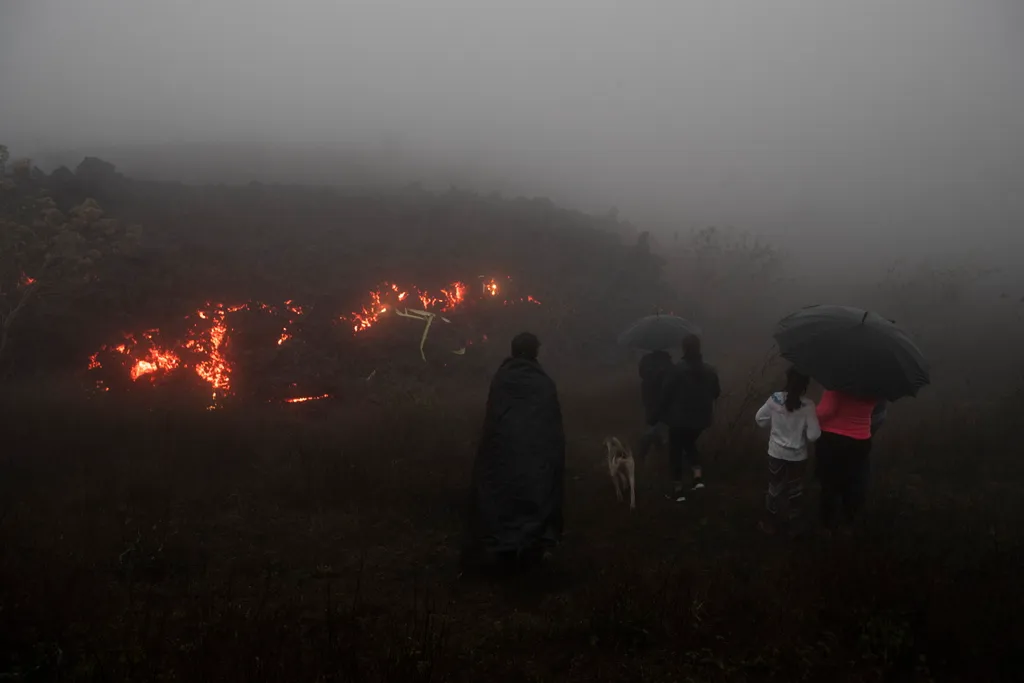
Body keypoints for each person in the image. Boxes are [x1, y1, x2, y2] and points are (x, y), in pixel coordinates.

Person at [463, 332, 566, 574]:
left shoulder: (501, 379)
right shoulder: (544, 382)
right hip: (536, 454)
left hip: (502, 452)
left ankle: (504, 549)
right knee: (537, 495)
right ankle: (532, 548)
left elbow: (493, 419)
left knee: (502, 494)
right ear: (535, 352)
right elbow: (552, 425)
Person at [754, 367, 821, 536]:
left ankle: (769, 523)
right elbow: (814, 436)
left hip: (776, 453)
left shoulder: (775, 399)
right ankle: (794, 526)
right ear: (805, 385)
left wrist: (775, 427)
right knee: (795, 490)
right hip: (798, 457)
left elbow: (760, 420)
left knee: (774, 488)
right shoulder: (809, 405)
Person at [655, 334, 720, 502]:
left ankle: (678, 491)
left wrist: (659, 414)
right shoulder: (710, 370)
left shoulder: (675, 370)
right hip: (702, 420)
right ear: (699, 348)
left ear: (683, 349)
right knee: (688, 442)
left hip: (679, 420)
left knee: (675, 451)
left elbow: (665, 396)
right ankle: (697, 477)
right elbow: (716, 393)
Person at [814, 387, 878, 533]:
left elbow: (826, 411)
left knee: (829, 483)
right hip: (861, 441)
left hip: (833, 441)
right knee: (853, 481)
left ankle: (827, 525)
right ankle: (848, 520)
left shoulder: (837, 385)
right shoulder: (875, 387)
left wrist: (809, 414)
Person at [636, 349, 674, 461]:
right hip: (659, 398)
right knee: (657, 426)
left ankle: (658, 452)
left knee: (654, 424)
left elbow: (641, 373)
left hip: (649, 397)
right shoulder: (667, 361)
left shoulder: (646, 360)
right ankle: (647, 449)